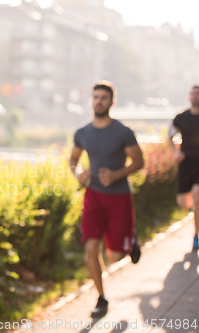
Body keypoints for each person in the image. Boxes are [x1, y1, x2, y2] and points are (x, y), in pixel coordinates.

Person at [69, 81, 144, 317]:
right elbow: (73, 159)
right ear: (91, 100)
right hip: (93, 196)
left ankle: (129, 242)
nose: (98, 101)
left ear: (112, 102)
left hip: (119, 197)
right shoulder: (83, 132)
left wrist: (116, 174)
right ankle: (101, 297)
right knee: (91, 247)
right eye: (95, 97)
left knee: (115, 255)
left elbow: (139, 162)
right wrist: (78, 173)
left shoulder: (123, 132)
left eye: (103, 98)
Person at [168, 85, 199, 250]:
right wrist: (175, 152)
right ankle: (194, 208)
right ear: (189, 97)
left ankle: (197, 235)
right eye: (193, 94)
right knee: (183, 203)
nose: (195, 96)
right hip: (186, 163)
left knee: (197, 195)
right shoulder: (181, 118)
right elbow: (170, 136)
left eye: (198, 94)